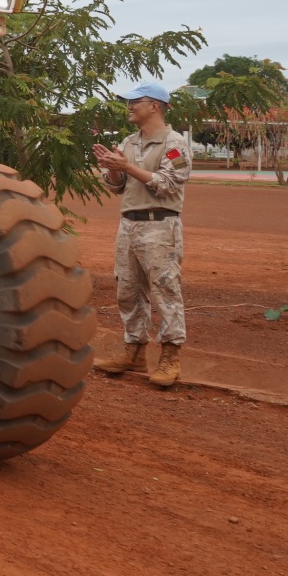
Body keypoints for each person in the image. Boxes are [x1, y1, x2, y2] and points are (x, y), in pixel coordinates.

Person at [92, 81, 192, 387]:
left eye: (136, 101)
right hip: (129, 224)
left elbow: (169, 184)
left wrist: (127, 166)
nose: (129, 106)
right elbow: (118, 186)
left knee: (165, 290)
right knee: (127, 289)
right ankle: (133, 350)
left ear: (156, 106)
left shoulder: (174, 143)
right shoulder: (129, 141)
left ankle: (170, 358)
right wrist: (112, 168)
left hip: (160, 225)